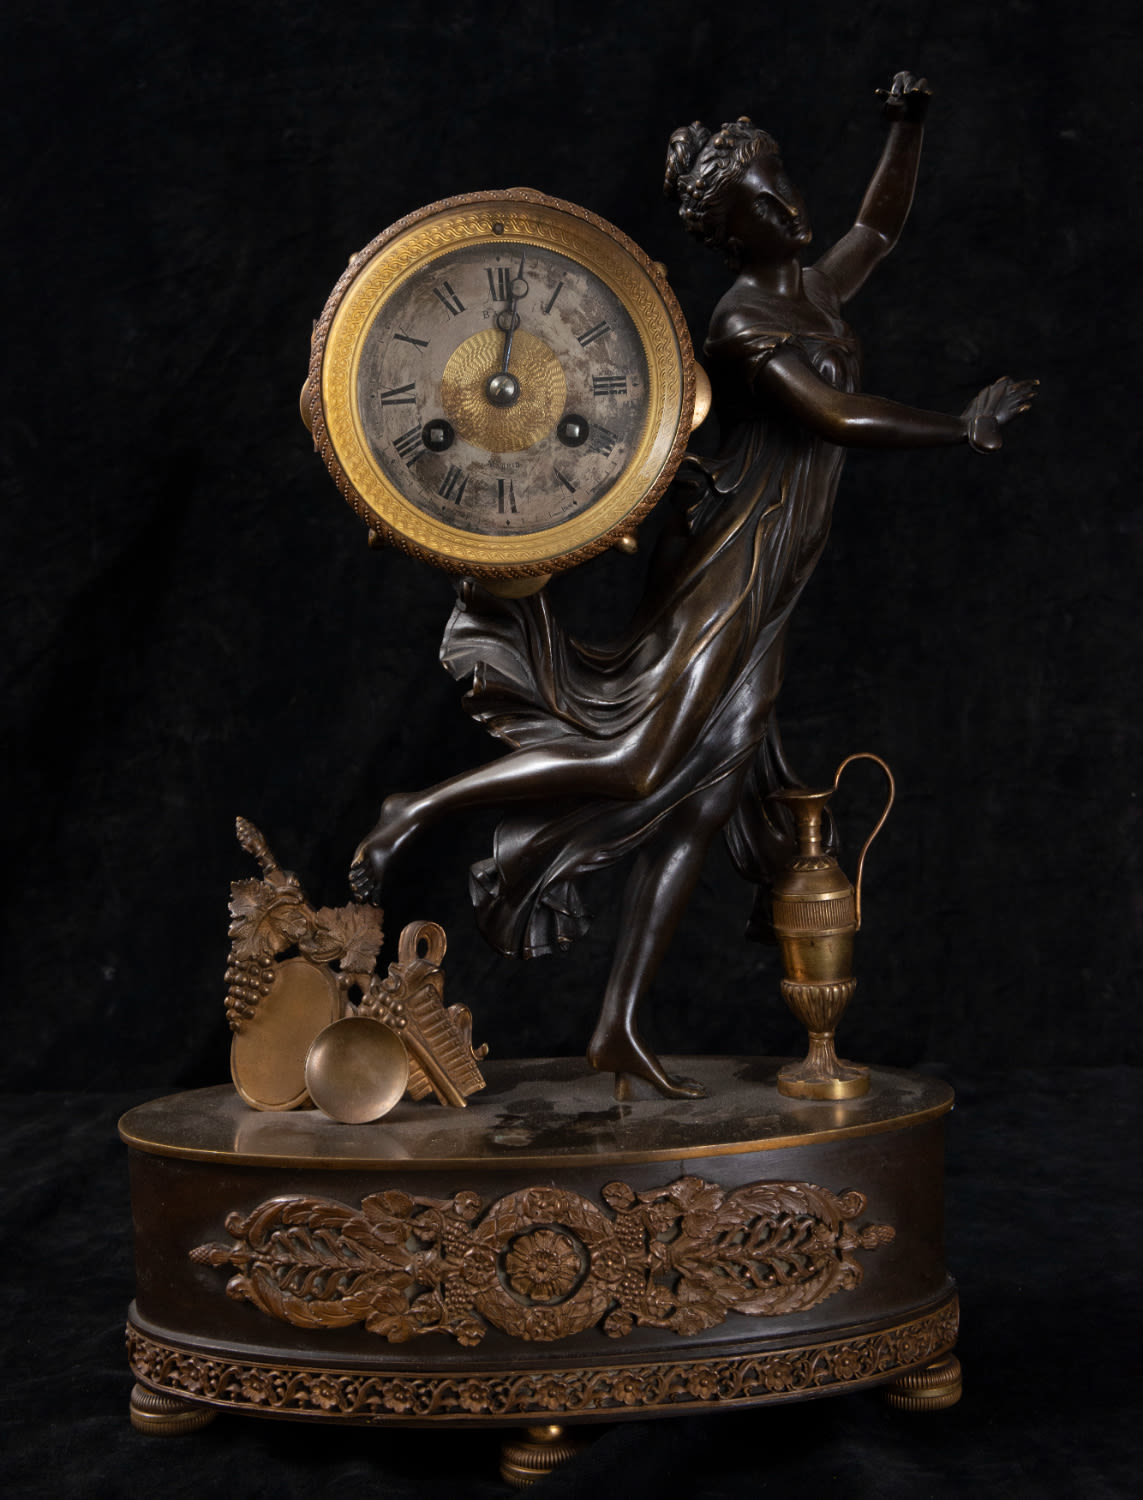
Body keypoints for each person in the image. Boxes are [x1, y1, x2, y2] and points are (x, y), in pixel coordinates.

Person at [350, 73, 1036, 1100]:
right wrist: (960, 427)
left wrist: (909, 124)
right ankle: (418, 804)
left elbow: (879, 229)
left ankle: (617, 1024)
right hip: (733, 559)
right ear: (731, 231)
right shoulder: (742, 322)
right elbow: (835, 420)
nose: (790, 209)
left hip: (776, 576)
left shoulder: (811, 287)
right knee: (639, 764)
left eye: (784, 185)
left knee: (708, 798)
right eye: (763, 202)